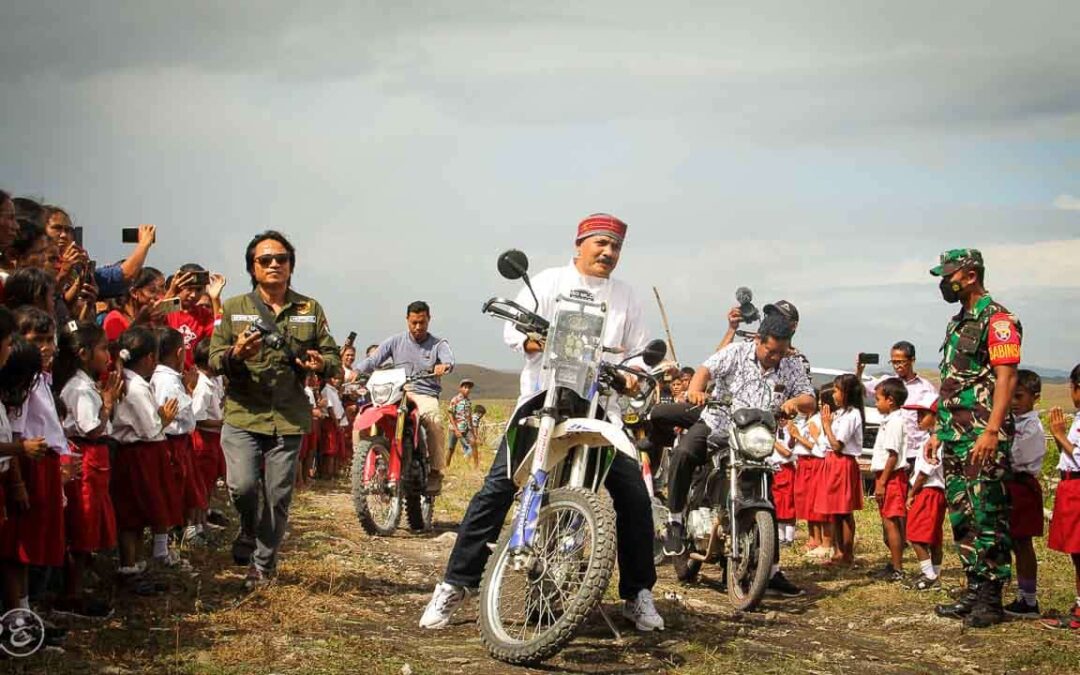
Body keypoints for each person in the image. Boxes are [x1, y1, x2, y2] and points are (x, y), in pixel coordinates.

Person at [420, 213, 664, 632]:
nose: (607, 252)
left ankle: (638, 593)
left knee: (634, 498)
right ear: (579, 245)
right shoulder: (548, 283)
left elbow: (639, 354)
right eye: (600, 243)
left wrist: (630, 372)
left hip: (599, 410)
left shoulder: (626, 296)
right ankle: (454, 585)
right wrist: (531, 338)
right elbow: (516, 331)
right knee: (496, 489)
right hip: (543, 403)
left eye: (615, 247)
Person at [208, 230, 340, 589]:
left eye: (281, 259)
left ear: (291, 266)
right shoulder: (234, 308)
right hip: (242, 414)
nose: (274, 265)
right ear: (253, 267)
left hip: (288, 415)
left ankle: (263, 566)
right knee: (243, 488)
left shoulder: (309, 309)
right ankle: (248, 528)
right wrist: (237, 354)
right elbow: (214, 357)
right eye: (265, 260)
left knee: (279, 495)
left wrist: (319, 364)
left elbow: (333, 358)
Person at [665, 313, 815, 596]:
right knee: (684, 453)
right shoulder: (736, 352)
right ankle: (674, 522)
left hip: (755, 438)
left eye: (780, 352)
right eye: (770, 351)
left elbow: (809, 398)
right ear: (758, 339)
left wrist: (796, 401)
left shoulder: (791, 364)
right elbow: (705, 370)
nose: (775, 358)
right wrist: (696, 391)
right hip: (718, 426)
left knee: (764, 494)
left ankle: (770, 570)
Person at [928, 248, 1021, 628]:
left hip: (982, 433)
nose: (943, 282)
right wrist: (937, 429)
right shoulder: (956, 323)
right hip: (955, 433)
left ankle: (991, 597)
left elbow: (1007, 377)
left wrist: (992, 430)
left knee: (987, 513)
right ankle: (973, 586)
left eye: (947, 275)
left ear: (968, 275)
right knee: (962, 513)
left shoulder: (998, 320)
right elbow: (953, 381)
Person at [54, 321, 122, 618]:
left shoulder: (84, 384)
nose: (108, 355)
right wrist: (107, 404)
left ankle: (77, 588)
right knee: (81, 523)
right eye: (104, 348)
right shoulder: (79, 388)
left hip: (94, 459)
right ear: (83, 353)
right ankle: (72, 594)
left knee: (89, 523)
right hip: (86, 457)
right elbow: (91, 429)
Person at [352, 301, 454, 494]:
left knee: (433, 421)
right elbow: (374, 360)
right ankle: (362, 464)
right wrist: (357, 371)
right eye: (414, 322)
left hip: (424, 393)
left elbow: (449, 360)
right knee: (361, 419)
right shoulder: (395, 341)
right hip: (398, 391)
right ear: (407, 320)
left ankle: (435, 472)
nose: (418, 327)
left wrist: (444, 366)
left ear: (428, 320)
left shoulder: (438, 344)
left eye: (422, 322)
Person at [110, 326, 180, 579]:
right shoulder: (135, 387)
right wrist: (164, 418)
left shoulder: (134, 382)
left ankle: (137, 562)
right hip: (138, 454)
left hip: (143, 454)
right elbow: (150, 428)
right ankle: (129, 564)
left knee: (140, 513)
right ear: (150, 358)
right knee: (132, 513)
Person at [151, 328, 207, 548]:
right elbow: (185, 414)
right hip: (173, 441)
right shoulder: (169, 381)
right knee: (175, 491)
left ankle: (176, 535)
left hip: (174, 440)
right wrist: (190, 391)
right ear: (178, 352)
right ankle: (166, 543)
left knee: (181, 489)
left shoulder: (163, 377)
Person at [1003, 369, 1046, 618]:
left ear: (1035, 397)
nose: (1014, 402)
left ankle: (1029, 599)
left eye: (1019, 396)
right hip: (1010, 485)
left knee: (1023, 542)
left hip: (1022, 485)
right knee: (1012, 540)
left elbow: (1018, 459)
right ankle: (1021, 594)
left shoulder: (1031, 427)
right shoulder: (1012, 422)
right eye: (1011, 396)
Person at [856, 341, 938, 466]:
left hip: (914, 453)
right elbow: (860, 390)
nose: (897, 366)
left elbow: (934, 418)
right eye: (893, 362)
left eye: (901, 362)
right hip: (890, 449)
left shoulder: (926, 388)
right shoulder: (887, 383)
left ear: (912, 360)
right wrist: (859, 372)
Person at [813, 374, 865, 566]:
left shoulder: (852, 414)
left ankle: (847, 553)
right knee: (834, 510)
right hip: (832, 462)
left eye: (837, 390)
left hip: (842, 462)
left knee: (844, 511)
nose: (833, 395)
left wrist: (826, 426)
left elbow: (837, 445)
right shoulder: (842, 413)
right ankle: (838, 551)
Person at [1042, 364, 1080, 630]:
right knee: (1075, 552)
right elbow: (1069, 454)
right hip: (1070, 485)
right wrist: (1061, 437)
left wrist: (1057, 434)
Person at [903, 394, 947, 591]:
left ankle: (928, 575)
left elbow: (925, 471)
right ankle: (935, 573)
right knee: (934, 536)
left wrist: (912, 493)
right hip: (937, 493)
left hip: (928, 491)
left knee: (916, 534)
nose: (918, 418)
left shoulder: (935, 443)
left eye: (923, 414)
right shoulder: (933, 439)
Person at [868, 378, 908, 581]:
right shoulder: (889, 420)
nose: (876, 403)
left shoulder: (895, 422)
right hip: (885, 475)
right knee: (887, 521)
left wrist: (882, 482)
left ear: (890, 400)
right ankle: (894, 563)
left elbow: (893, 455)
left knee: (891, 521)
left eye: (878, 399)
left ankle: (898, 568)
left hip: (891, 476)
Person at [166, 264, 226, 369]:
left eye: (198, 290)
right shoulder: (169, 308)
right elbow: (155, 316)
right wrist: (171, 292)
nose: (193, 295)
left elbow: (220, 335)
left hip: (191, 378)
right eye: (189, 289)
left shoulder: (203, 314)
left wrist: (215, 299)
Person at [446, 378, 475, 467]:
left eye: (469, 388)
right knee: (451, 449)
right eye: (465, 387)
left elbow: (469, 416)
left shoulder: (468, 402)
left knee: (472, 445)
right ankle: (447, 466)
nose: (467, 390)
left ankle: (470, 466)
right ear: (460, 388)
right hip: (454, 428)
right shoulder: (455, 400)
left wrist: (472, 431)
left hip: (465, 428)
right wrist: (456, 430)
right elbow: (450, 414)